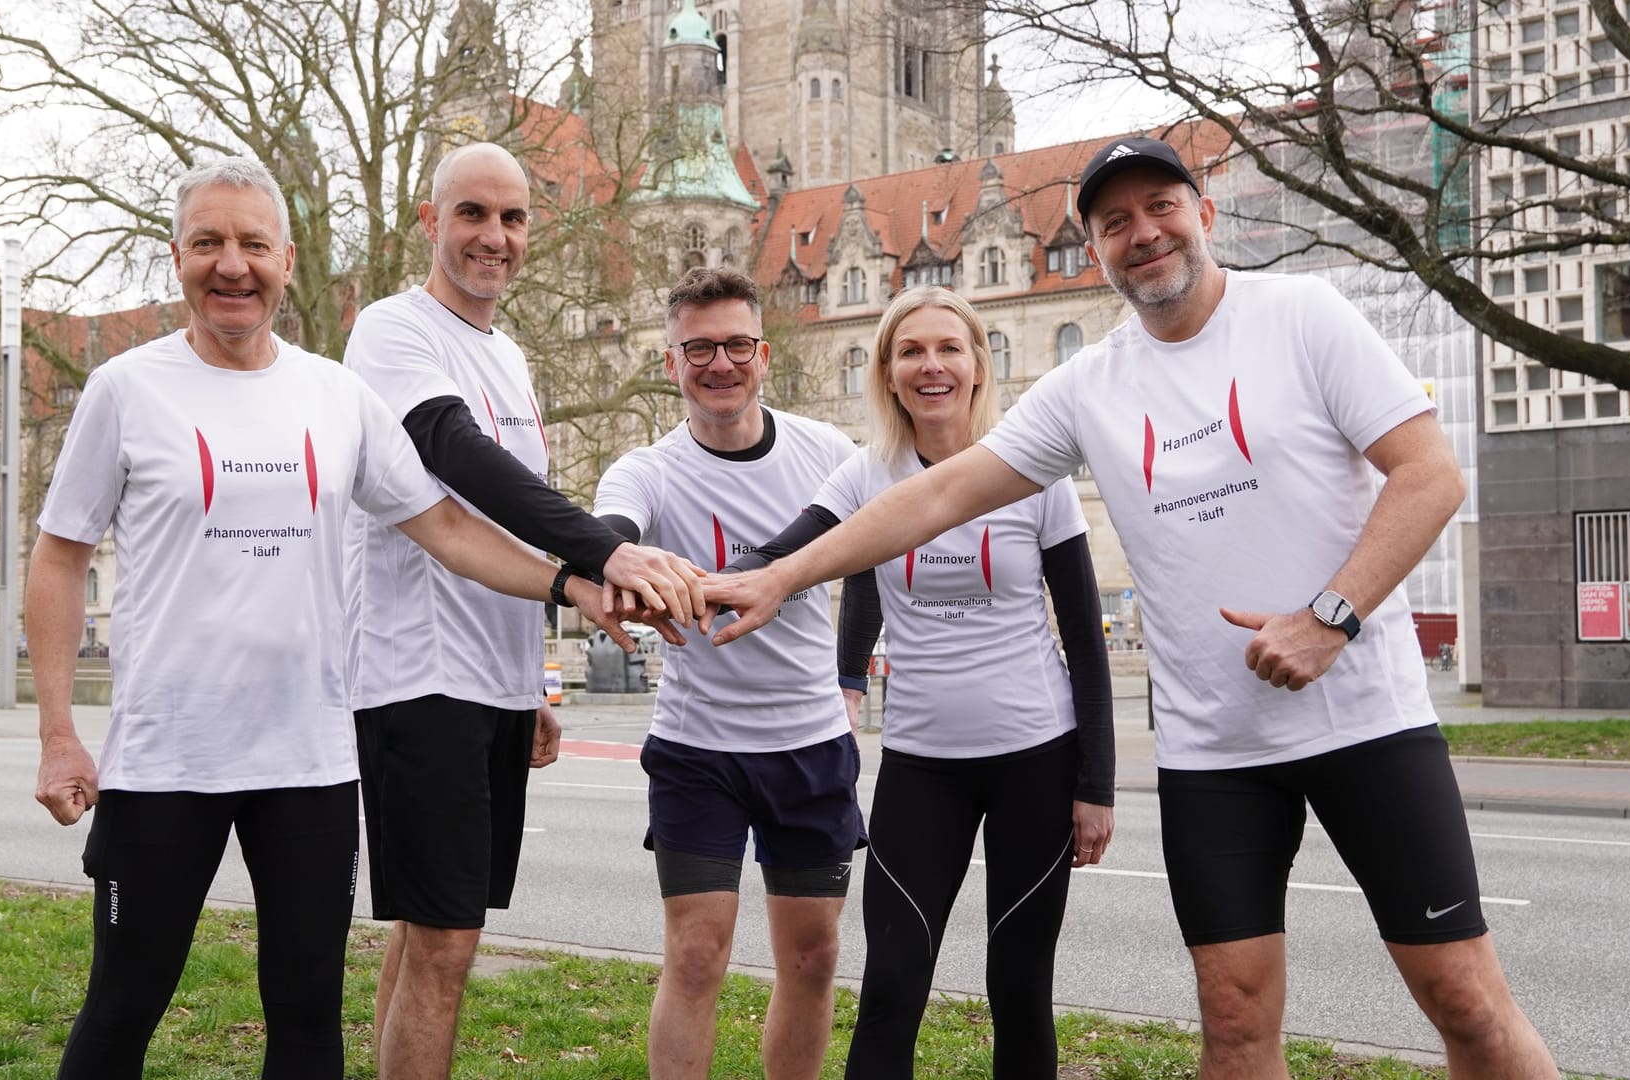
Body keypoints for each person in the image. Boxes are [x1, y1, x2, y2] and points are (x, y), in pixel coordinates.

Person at [703, 137, 1559, 1079]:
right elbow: (935, 496)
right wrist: (783, 576)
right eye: (1114, 222)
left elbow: (1430, 474)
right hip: (1214, 752)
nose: (1141, 233)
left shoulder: (1302, 316)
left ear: (1205, 213)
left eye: (1160, 207)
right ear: (1096, 247)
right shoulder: (1085, 386)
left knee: (1466, 1004)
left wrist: (1329, 617)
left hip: (1365, 720)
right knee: (1232, 1024)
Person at [25, 156, 635, 1080]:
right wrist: (60, 734)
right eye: (209, 244)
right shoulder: (125, 389)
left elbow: (442, 525)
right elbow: (60, 556)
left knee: (309, 1022)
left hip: (307, 762)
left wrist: (569, 585)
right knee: (123, 1006)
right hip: (164, 759)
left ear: (287, 257)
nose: (233, 266)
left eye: (253, 245)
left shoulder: (334, 395)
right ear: (177, 257)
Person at [341, 141, 704, 1080]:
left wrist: (530, 679)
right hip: (417, 678)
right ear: (430, 221)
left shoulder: (510, 352)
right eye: (471, 214)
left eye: (511, 218)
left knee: (428, 932)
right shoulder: (393, 331)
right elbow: (456, 460)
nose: (493, 237)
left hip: (489, 684)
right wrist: (604, 551)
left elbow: (508, 525)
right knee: (449, 945)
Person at [731, 286, 1116, 1078]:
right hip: (920, 761)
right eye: (911, 351)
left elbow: (1084, 634)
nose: (931, 365)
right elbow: (790, 553)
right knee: (894, 983)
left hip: (1035, 758)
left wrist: (1097, 785)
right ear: (888, 372)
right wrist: (689, 580)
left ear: (979, 365)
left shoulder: (1033, 470)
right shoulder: (867, 473)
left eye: (950, 348)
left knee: (1019, 985)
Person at [592, 266, 863, 1080]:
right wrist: (621, 566)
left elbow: (878, 552)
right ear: (670, 363)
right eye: (698, 349)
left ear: (764, 353)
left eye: (736, 345)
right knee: (698, 957)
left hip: (811, 746)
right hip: (697, 752)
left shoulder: (829, 452)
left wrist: (851, 678)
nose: (720, 364)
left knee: (813, 960)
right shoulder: (648, 468)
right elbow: (610, 531)